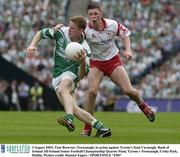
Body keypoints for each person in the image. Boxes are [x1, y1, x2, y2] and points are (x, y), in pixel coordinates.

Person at [54, 2, 155, 136]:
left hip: (113, 61)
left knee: (128, 91)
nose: (93, 16)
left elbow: (125, 35)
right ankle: (87, 128)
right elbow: (72, 28)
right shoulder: (86, 28)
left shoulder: (112, 24)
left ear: (101, 13)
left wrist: (128, 50)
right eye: (90, 14)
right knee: (92, 91)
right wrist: (59, 27)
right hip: (96, 63)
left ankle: (144, 107)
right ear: (88, 15)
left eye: (96, 13)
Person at [26, 15, 111, 137]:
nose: (68, 29)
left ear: (81, 30)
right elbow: (41, 33)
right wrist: (32, 45)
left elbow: (82, 75)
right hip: (57, 74)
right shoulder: (61, 31)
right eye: (69, 26)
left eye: (72, 28)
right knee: (73, 108)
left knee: (63, 89)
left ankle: (69, 118)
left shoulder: (85, 49)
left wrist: (82, 62)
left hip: (72, 74)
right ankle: (102, 128)